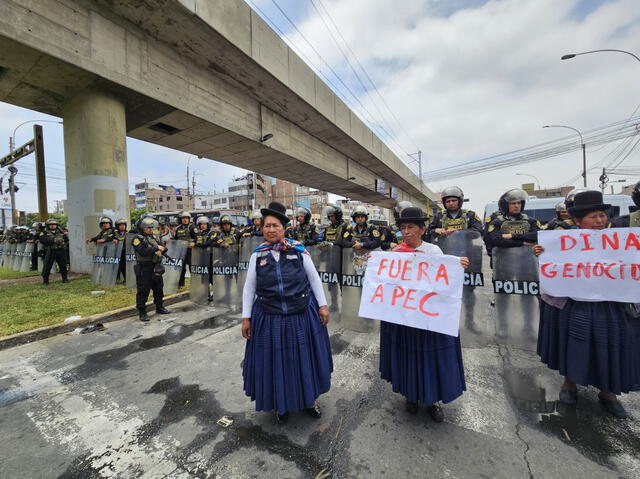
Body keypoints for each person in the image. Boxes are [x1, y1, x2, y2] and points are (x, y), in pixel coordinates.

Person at [534, 190, 637, 418]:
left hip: (611, 306)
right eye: (593, 217)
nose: (600, 221)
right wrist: (540, 252)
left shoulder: (621, 240)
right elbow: (551, 267)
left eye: (602, 215)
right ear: (578, 221)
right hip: (576, 305)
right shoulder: (562, 242)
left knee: (611, 346)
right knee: (575, 344)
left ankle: (609, 392)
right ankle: (569, 384)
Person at [242, 201, 332, 423]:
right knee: (276, 362)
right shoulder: (258, 255)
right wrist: (246, 317)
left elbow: (313, 279)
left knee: (304, 359)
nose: (271, 230)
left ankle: (309, 400)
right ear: (262, 229)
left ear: (284, 227)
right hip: (269, 317)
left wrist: (322, 305)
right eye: (266, 226)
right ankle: (280, 404)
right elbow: (249, 288)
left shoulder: (299, 251)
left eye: (275, 225)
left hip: (300, 315)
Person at [379, 207, 469, 422]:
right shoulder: (395, 254)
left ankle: (433, 399)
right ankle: (411, 394)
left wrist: (459, 266)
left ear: (422, 229)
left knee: (430, 357)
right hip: (405, 317)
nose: (406, 232)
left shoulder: (434, 252)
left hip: (428, 318)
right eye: (403, 228)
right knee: (408, 355)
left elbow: (445, 282)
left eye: (411, 227)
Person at [132, 217, 170, 322]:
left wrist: (161, 249)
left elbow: (163, 247)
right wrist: (156, 248)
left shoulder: (153, 237)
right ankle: (142, 312)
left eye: (151, 227)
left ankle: (159, 307)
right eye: (148, 227)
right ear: (142, 228)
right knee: (143, 290)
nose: (150, 229)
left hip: (156, 266)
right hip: (145, 267)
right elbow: (142, 252)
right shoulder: (137, 238)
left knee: (158, 287)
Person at [40, 218, 69, 285]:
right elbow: (43, 240)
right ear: (48, 225)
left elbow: (66, 239)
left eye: (54, 225)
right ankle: (45, 281)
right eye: (51, 225)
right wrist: (53, 241)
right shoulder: (44, 232)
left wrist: (62, 241)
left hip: (61, 250)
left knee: (63, 265)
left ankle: (65, 279)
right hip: (51, 250)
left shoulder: (61, 232)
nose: (53, 226)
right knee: (47, 265)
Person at [175, 211, 196, 288]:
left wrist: (194, 243)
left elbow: (197, 239)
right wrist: (170, 240)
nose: (185, 220)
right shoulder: (178, 229)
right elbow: (176, 239)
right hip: (181, 251)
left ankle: (194, 284)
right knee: (181, 268)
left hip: (190, 251)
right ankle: (180, 284)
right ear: (180, 219)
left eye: (186, 218)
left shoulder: (192, 227)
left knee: (192, 267)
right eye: (183, 218)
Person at [114, 218, 128, 283]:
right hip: (116, 252)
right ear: (117, 226)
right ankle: (116, 279)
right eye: (120, 225)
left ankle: (126, 279)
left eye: (123, 225)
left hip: (125, 252)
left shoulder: (128, 233)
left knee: (124, 266)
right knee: (116, 266)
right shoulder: (114, 234)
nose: (122, 226)